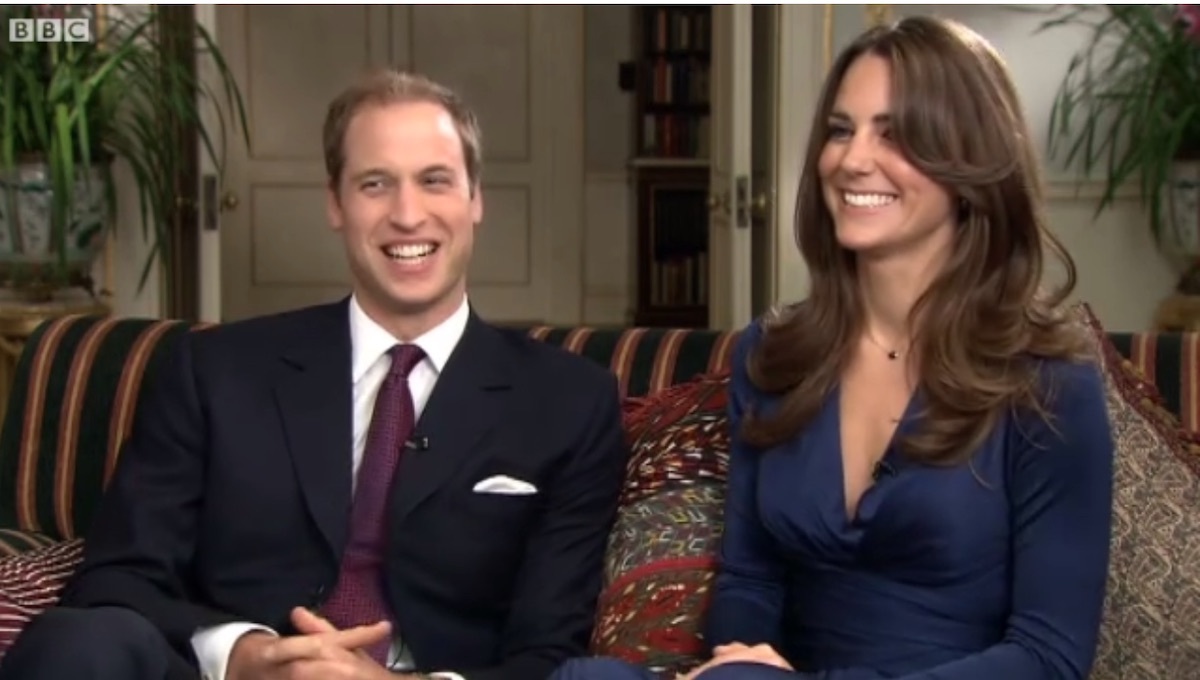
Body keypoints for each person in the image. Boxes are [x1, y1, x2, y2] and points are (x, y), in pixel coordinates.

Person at [0, 69, 629, 680]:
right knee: (78, 638)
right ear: (335, 204)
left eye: (435, 180)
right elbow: (117, 577)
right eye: (375, 184)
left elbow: (549, 655)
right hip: (228, 672)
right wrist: (240, 654)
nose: (408, 215)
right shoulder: (215, 370)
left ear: (475, 198)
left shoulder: (569, 401)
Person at [551, 15, 1114, 680]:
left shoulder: (1049, 385)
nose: (851, 159)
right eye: (841, 129)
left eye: (895, 134)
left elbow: (1049, 658)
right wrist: (738, 659)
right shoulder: (776, 354)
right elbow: (749, 581)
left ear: (970, 166)